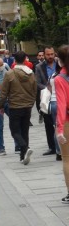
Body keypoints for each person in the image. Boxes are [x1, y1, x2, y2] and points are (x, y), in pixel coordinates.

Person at [0, 51, 37, 165]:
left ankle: (24, 146)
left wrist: (0, 105)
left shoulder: (10, 73)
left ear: (15, 60)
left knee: (15, 130)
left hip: (15, 106)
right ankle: (23, 156)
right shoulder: (31, 73)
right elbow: (34, 89)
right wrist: (31, 102)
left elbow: (4, 91)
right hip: (27, 106)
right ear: (25, 59)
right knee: (25, 130)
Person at [35, 46, 60, 156]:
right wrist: (47, 88)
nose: (50, 56)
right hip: (47, 97)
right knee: (49, 123)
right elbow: (37, 82)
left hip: (60, 95)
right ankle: (52, 147)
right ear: (44, 55)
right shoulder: (39, 67)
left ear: (55, 54)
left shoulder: (60, 63)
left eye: (52, 54)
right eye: (48, 54)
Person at [55, 44, 69, 204]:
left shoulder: (60, 79)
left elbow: (61, 105)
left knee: (67, 159)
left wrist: (59, 130)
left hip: (66, 122)